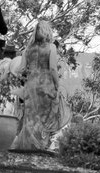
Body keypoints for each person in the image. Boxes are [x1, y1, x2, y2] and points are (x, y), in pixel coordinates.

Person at [12, 16, 66, 152]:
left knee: (30, 118)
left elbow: (20, 69)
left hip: (31, 86)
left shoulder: (27, 50)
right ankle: (40, 146)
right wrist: (57, 85)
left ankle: (27, 147)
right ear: (48, 32)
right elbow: (53, 68)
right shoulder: (51, 47)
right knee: (44, 118)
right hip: (46, 85)